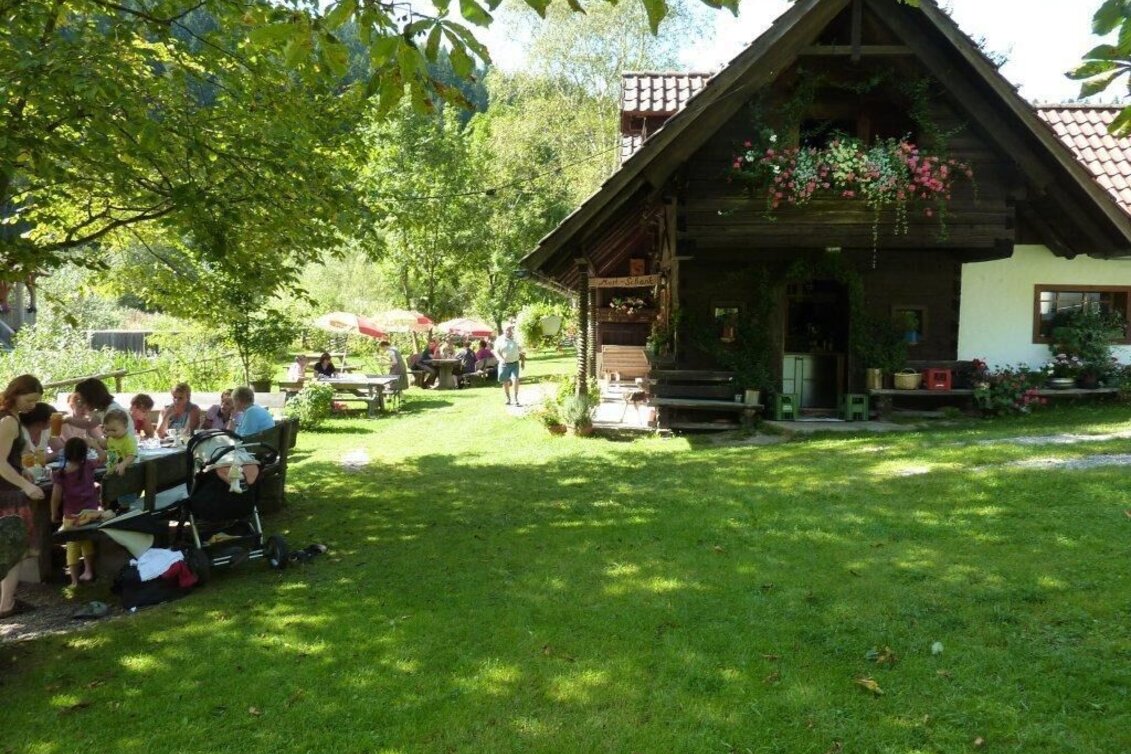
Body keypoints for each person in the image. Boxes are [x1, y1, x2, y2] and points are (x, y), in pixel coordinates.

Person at [0, 374, 47, 619]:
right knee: (13, 550)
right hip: (6, 495)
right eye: (29, 400)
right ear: (16, 394)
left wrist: (23, 470)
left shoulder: (12, 416)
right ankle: (6, 605)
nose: (33, 406)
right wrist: (26, 486)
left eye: (36, 401)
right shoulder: (8, 421)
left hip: (8, 487)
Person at [50, 437, 103, 586]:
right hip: (91, 514)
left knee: (72, 547)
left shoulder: (61, 474)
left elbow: (55, 497)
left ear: (65, 454)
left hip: (72, 517)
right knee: (86, 542)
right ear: (84, 454)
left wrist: (53, 513)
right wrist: (96, 444)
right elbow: (103, 457)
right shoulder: (89, 466)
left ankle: (74, 580)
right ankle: (88, 571)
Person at [66, 378, 136, 443]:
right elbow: (88, 424)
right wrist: (67, 420)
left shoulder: (112, 412)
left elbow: (112, 443)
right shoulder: (103, 410)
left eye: (83, 401)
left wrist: (92, 443)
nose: (83, 405)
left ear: (91, 398)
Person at [101, 409, 139, 512]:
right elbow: (108, 448)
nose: (111, 433)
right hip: (114, 473)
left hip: (127, 474)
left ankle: (126, 510)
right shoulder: (112, 438)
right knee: (112, 497)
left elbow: (132, 455)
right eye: (108, 430)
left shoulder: (128, 439)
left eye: (114, 430)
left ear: (125, 426)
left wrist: (123, 464)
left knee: (126, 499)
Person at [494, 325, 523, 406]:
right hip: (504, 364)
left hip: (514, 363)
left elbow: (521, 350)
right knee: (505, 381)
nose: (508, 332)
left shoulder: (516, 339)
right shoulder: (500, 339)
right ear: (504, 330)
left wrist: (519, 347)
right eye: (506, 330)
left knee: (515, 380)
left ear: (512, 331)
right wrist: (501, 359)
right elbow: (496, 352)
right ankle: (508, 398)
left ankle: (515, 398)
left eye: (509, 330)